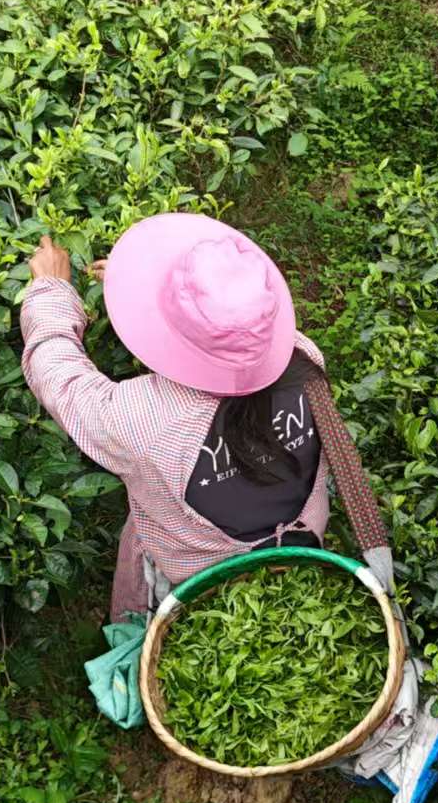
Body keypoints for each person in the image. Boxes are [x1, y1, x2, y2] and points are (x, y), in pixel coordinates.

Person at [20, 212, 388, 622]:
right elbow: (235, 335)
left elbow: (61, 378)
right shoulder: (303, 358)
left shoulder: (143, 421)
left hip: (199, 582)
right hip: (301, 546)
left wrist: (51, 290)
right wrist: (144, 297)